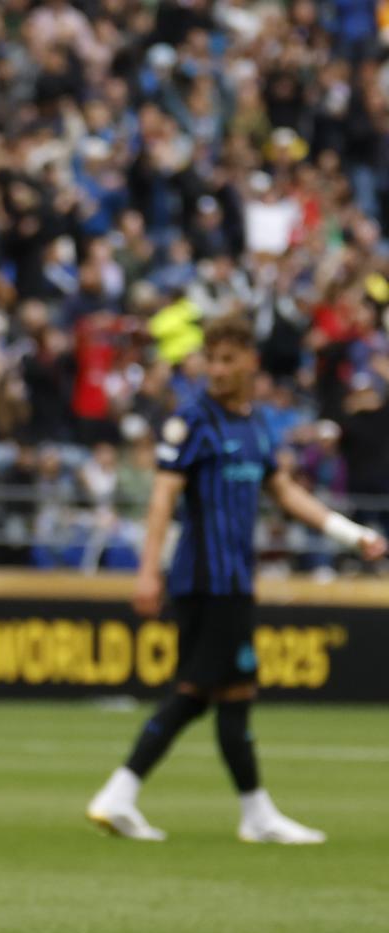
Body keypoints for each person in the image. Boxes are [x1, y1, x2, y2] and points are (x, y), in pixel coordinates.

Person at [86, 315, 385, 842]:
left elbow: (287, 494)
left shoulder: (255, 424)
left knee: (234, 693)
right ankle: (121, 791)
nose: (217, 370)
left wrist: (349, 533)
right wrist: (147, 571)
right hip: (205, 582)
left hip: (235, 582)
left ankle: (254, 813)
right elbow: (162, 497)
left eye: (227, 360)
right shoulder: (193, 421)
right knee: (198, 691)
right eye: (212, 359)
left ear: (250, 361)